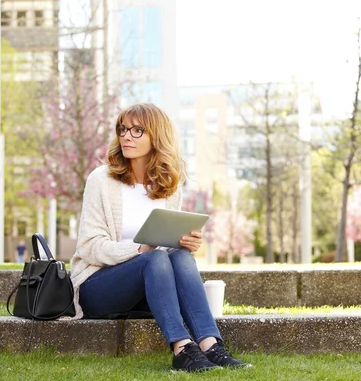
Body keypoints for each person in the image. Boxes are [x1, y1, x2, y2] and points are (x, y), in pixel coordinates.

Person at [69, 103, 250, 372]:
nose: (126, 136)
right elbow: (90, 247)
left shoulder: (167, 184)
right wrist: (140, 249)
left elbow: (164, 247)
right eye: (123, 129)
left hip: (148, 286)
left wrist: (183, 240)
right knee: (153, 257)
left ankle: (211, 346)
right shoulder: (102, 180)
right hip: (97, 287)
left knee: (179, 255)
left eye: (137, 130)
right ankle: (181, 349)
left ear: (157, 136)